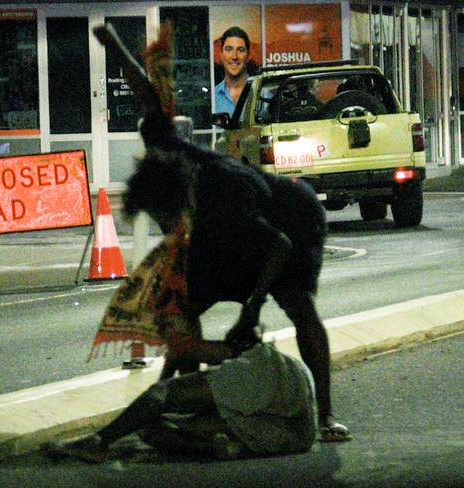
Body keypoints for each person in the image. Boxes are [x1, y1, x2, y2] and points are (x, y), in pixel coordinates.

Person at [91, 23, 351, 443]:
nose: (166, 227)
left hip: (291, 218)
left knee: (298, 304)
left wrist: (251, 311)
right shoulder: (164, 148)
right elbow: (145, 91)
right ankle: (182, 397)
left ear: (179, 198)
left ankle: (325, 415)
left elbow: (278, 247)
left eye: (166, 218)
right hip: (238, 229)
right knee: (182, 307)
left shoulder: (220, 196)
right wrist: (114, 46)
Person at [41, 338, 318, 463]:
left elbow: (160, 394)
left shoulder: (249, 370)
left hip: (273, 392)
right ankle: (218, 448)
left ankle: (97, 442)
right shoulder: (276, 372)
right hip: (297, 434)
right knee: (155, 426)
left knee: (156, 408)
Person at [214, 26, 253, 116]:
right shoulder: (213, 96)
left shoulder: (262, 94)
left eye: (240, 50)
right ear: (221, 55)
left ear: (248, 56)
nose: (234, 56)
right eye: (229, 49)